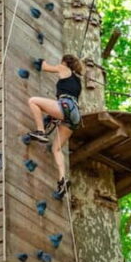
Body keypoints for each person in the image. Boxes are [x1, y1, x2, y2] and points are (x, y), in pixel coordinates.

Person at [27, 54, 83, 198]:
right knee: (56, 149)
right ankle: (62, 180)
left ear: (65, 62)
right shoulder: (78, 81)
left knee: (33, 101)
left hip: (65, 106)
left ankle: (40, 132)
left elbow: (45, 67)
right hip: (74, 115)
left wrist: (41, 61)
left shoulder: (63, 68)